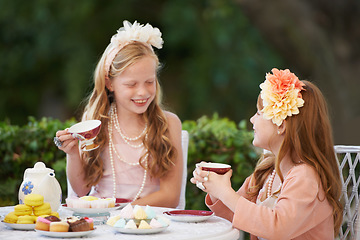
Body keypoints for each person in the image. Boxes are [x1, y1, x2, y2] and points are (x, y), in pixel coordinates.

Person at [191, 68, 343, 239]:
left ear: (280, 125)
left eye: (258, 112)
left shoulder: (306, 177)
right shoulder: (267, 172)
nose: (252, 119)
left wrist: (225, 192)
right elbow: (234, 215)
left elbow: (278, 227)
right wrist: (215, 187)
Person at [54, 20, 183, 208]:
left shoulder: (168, 124)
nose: (142, 92)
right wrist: (73, 154)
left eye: (149, 82)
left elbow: (170, 197)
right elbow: (82, 190)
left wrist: (123, 212)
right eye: (131, 84)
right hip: (101, 223)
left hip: (147, 224)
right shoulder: (95, 123)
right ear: (110, 83)